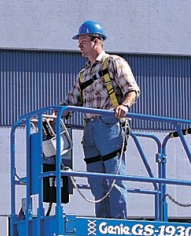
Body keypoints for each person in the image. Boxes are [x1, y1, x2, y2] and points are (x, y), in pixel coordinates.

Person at [60, 21, 140, 219]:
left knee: (114, 178)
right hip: (91, 131)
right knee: (97, 181)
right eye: (79, 41)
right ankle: (103, 223)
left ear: (97, 41)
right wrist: (55, 115)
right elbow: (71, 102)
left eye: (83, 41)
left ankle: (118, 223)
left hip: (109, 126)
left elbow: (132, 89)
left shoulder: (114, 62)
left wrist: (124, 106)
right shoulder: (83, 74)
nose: (80, 45)